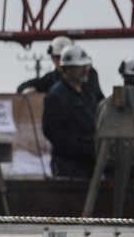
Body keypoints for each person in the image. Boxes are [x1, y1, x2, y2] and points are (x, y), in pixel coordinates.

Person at [42, 42, 102, 178]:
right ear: (66, 69)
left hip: (90, 163)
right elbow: (52, 131)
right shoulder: (56, 96)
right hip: (69, 166)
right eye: (80, 67)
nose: (85, 70)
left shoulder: (88, 93)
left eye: (86, 66)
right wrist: (77, 148)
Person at [19, 34, 102, 100]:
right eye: (57, 57)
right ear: (52, 59)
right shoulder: (51, 78)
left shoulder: (88, 74)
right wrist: (29, 90)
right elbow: (24, 86)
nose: (60, 62)